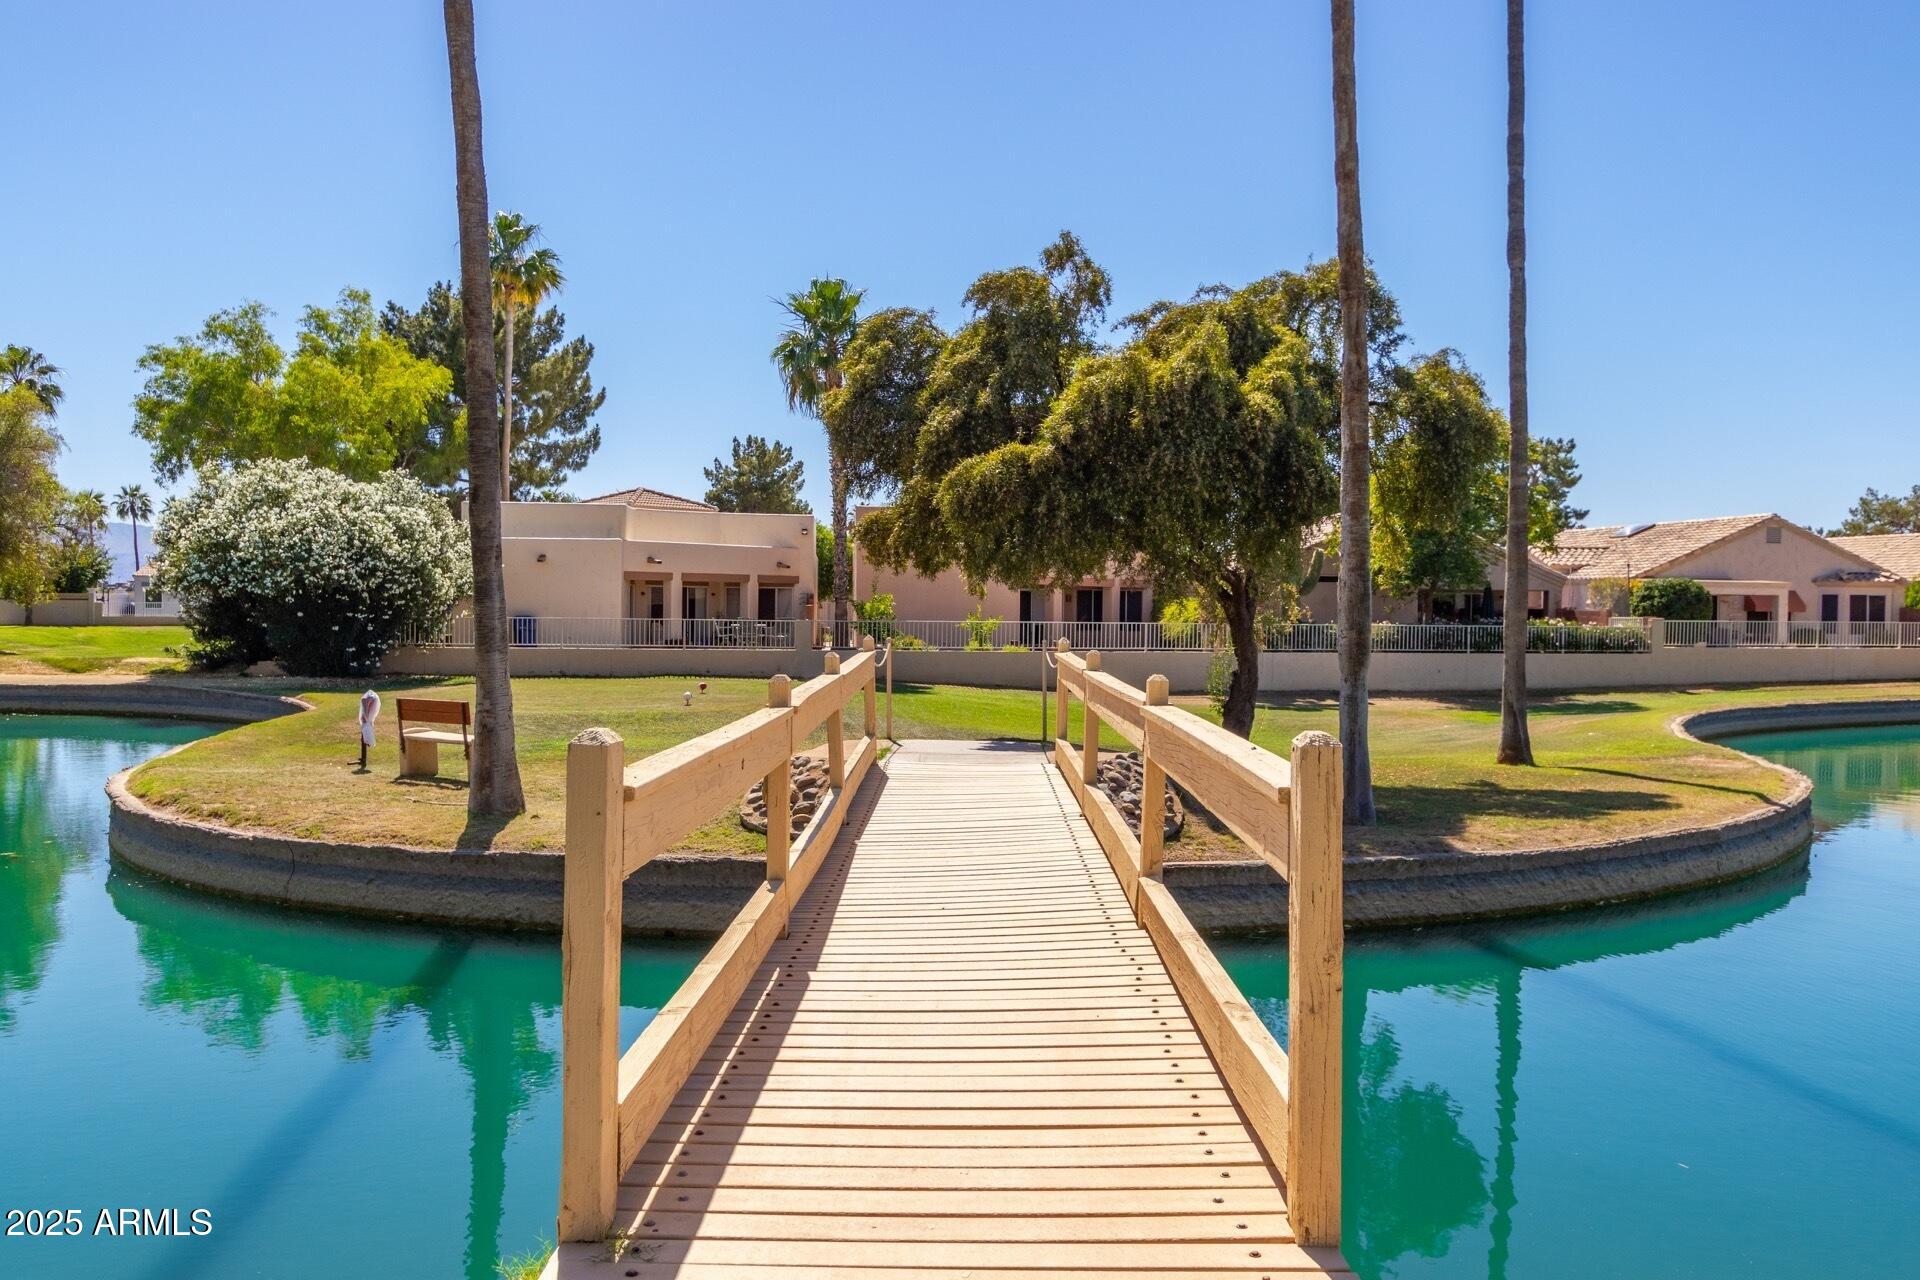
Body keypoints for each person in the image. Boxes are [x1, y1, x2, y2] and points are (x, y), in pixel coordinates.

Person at [358, 690, 381, 771]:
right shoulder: (367, 699)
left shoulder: (368, 699)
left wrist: (367, 717)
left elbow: (366, 701)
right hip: (370, 700)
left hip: (371, 700)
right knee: (366, 723)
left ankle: (366, 740)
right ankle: (366, 740)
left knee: (366, 723)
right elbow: (365, 701)